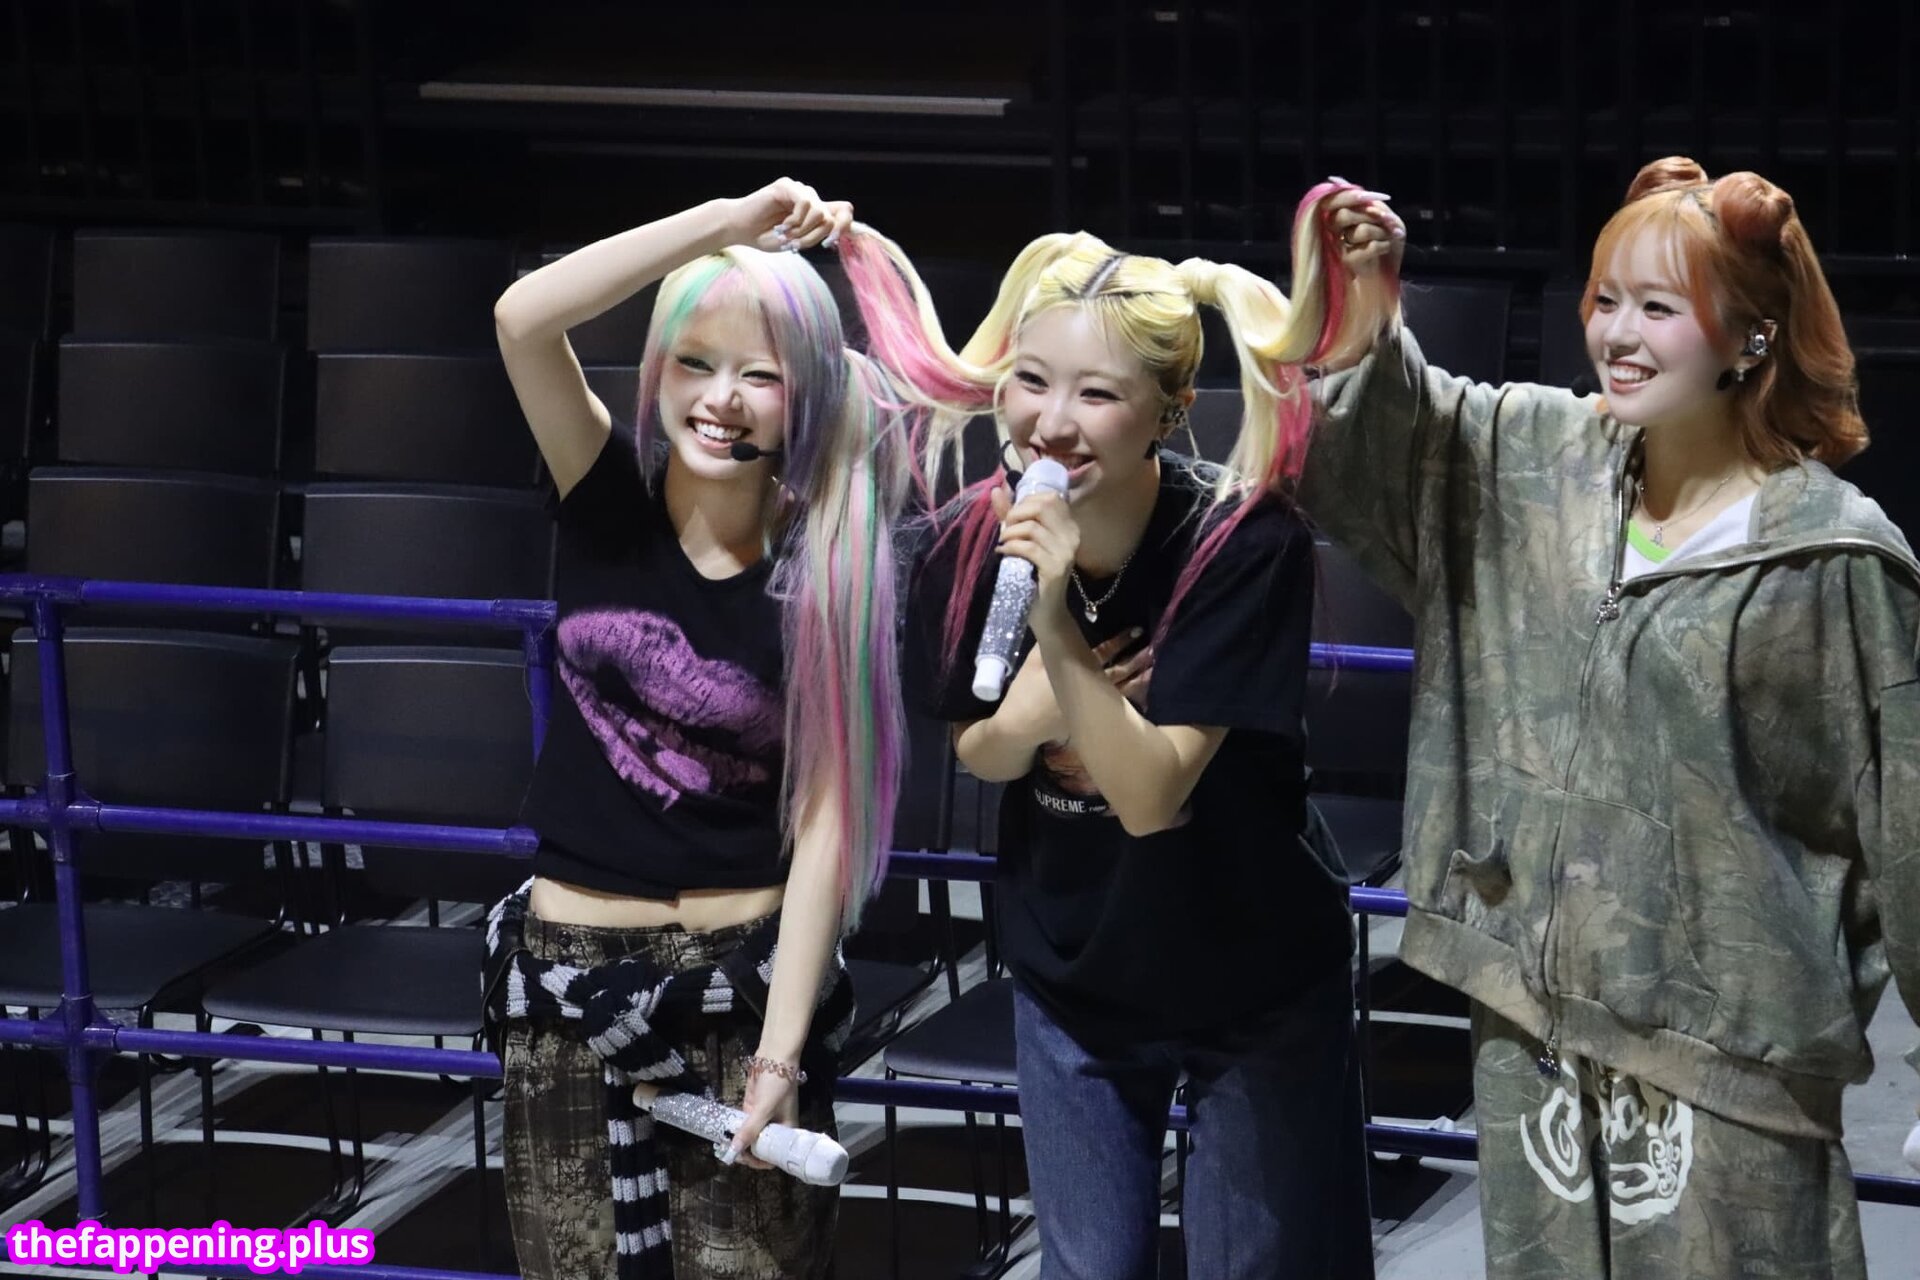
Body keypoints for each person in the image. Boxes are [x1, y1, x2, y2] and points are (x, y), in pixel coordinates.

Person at [1296, 159, 1920, 1277]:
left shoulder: (1836, 556)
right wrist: (1368, 307)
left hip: (1729, 1056)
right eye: (1606, 300)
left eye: (1660, 307)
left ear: (1751, 336)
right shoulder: (1539, 462)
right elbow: (1382, 452)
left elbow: (1907, 818)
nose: (1619, 335)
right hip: (1532, 1023)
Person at [839, 224, 1377, 1279]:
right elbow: (985, 751)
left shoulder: (1241, 539)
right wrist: (1046, 711)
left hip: (1252, 972)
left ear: (1171, 410)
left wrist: (1055, 629)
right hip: (1074, 970)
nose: (1051, 421)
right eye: (1031, 380)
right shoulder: (967, 537)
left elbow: (1147, 796)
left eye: (1096, 393)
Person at [483, 179, 909, 1280]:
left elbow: (827, 828)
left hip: (742, 987)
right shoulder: (603, 495)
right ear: (658, 372)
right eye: (694, 362)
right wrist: (723, 223)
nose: (722, 399)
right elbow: (523, 317)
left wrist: (780, 1055)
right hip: (569, 984)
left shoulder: (830, 565)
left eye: (760, 374)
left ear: (805, 391)